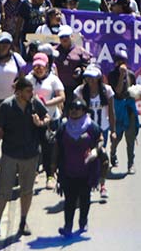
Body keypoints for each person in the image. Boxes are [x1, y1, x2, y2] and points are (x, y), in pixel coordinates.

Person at [0, 78, 49, 239]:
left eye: (31, 90)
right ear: (19, 92)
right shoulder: (6, 106)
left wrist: (40, 122)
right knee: (3, 192)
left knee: (27, 191)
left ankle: (23, 222)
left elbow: (47, 117)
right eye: (28, 91)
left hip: (30, 154)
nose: (31, 94)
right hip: (10, 155)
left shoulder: (34, 104)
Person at [55, 98, 101, 237]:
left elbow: (100, 140)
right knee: (69, 201)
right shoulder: (63, 127)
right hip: (68, 171)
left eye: (78, 108)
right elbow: (57, 147)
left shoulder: (91, 126)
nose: (74, 111)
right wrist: (54, 167)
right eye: (72, 108)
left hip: (86, 171)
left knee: (84, 198)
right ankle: (67, 227)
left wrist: (95, 151)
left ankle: (83, 221)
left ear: (84, 111)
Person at [74, 64, 116, 200]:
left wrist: (113, 130)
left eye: (93, 78)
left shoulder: (107, 90)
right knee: (87, 158)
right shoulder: (80, 91)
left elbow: (111, 111)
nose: (90, 81)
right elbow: (75, 111)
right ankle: (89, 184)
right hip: (86, 130)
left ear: (98, 78)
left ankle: (102, 184)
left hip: (102, 129)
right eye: (88, 78)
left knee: (102, 158)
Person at [27, 52, 65, 190]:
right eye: (36, 66)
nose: (38, 69)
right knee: (34, 147)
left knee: (50, 148)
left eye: (41, 66)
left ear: (47, 66)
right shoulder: (28, 79)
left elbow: (61, 97)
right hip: (33, 120)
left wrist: (46, 104)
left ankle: (50, 175)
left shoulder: (53, 80)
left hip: (51, 119)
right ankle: (34, 172)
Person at [107, 50, 138, 173]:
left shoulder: (131, 74)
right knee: (117, 137)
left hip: (129, 108)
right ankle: (113, 153)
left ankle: (131, 163)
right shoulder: (112, 75)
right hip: (118, 108)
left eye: (123, 62)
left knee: (130, 137)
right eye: (119, 62)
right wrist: (121, 76)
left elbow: (133, 90)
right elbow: (117, 91)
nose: (121, 65)